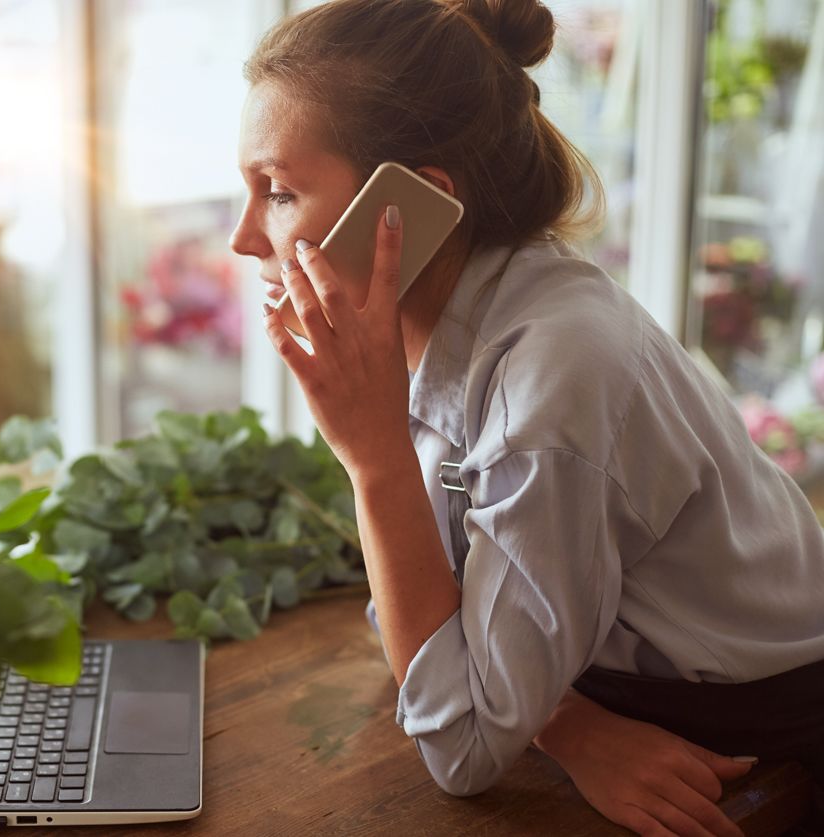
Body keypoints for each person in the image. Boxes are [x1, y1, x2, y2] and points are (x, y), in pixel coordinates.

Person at [228, 1, 824, 835]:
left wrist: (375, 460)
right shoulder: (437, 328)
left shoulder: (553, 371)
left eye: (279, 192)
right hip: (611, 685)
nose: (244, 238)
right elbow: (420, 621)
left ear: (410, 205)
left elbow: (462, 745)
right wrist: (568, 723)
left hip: (760, 724)